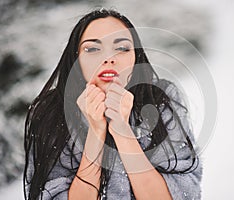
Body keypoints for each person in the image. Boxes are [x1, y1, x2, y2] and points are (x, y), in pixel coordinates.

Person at [23, 8, 203, 200]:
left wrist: (122, 130)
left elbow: (183, 195)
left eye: (122, 48)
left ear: (136, 57)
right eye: (92, 49)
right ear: (76, 59)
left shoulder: (161, 100)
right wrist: (95, 132)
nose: (109, 59)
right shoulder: (51, 112)